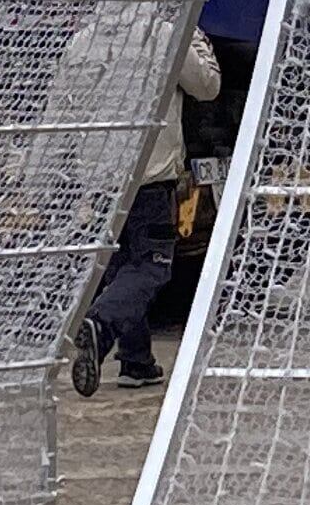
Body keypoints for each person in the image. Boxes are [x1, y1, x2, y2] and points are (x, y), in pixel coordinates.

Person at [75, 28, 219, 392]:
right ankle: (101, 323)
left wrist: (40, 179)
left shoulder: (84, 37)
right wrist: (196, 40)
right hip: (149, 173)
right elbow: (207, 86)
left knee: (121, 266)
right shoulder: (170, 32)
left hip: (99, 175)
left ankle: (136, 361)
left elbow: (62, 104)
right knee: (150, 266)